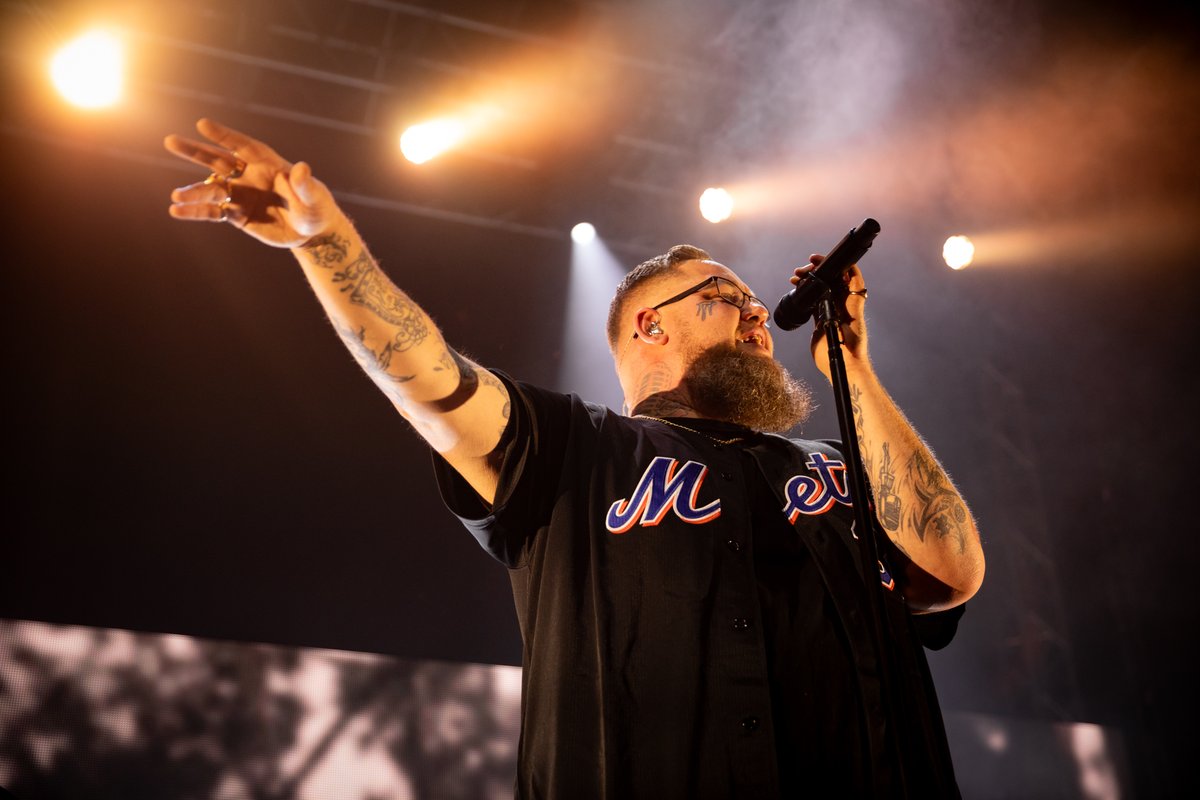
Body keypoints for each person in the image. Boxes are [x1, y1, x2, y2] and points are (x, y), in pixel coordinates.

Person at [165, 119, 985, 799]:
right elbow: (429, 378)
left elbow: (953, 569)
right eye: (726, 298)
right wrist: (323, 240)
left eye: (754, 305)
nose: (758, 316)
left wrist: (855, 362)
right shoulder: (576, 448)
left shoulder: (838, 466)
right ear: (650, 327)